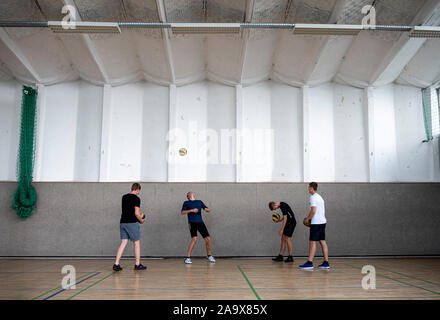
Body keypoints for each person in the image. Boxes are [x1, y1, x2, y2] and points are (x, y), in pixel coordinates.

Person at [113, 183, 147, 271]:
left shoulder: (124, 197)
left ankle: (116, 264)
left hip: (123, 222)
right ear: (138, 189)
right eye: (139, 191)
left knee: (124, 242)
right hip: (132, 223)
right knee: (136, 243)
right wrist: (141, 220)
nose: (139, 192)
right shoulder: (136, 198)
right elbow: (136, 213)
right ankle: (137, 264)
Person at [299, 182, 330, 270]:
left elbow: (313, 210)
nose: (308, 189)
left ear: (312, 188)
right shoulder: (320, 197)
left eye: (309, 187)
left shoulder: (313, 197)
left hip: (316, 223)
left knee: (312, 241)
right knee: (322, 241)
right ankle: (326, 262)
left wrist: (307, 219)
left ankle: (309, 262)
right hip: (323, 222)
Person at [181, 192, 215, 264]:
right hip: (192, 223)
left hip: (200, 222)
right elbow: (182, 212)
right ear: (188, 196)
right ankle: (188, 258)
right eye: (189, 193)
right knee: (194, 239)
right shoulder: (186, 203)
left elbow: (207, 208)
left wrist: (207, 210)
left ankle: (209, 256)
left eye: (192, 193)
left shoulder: (199, 202)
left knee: (208, 238)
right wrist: (191, 210)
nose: (191, 193)